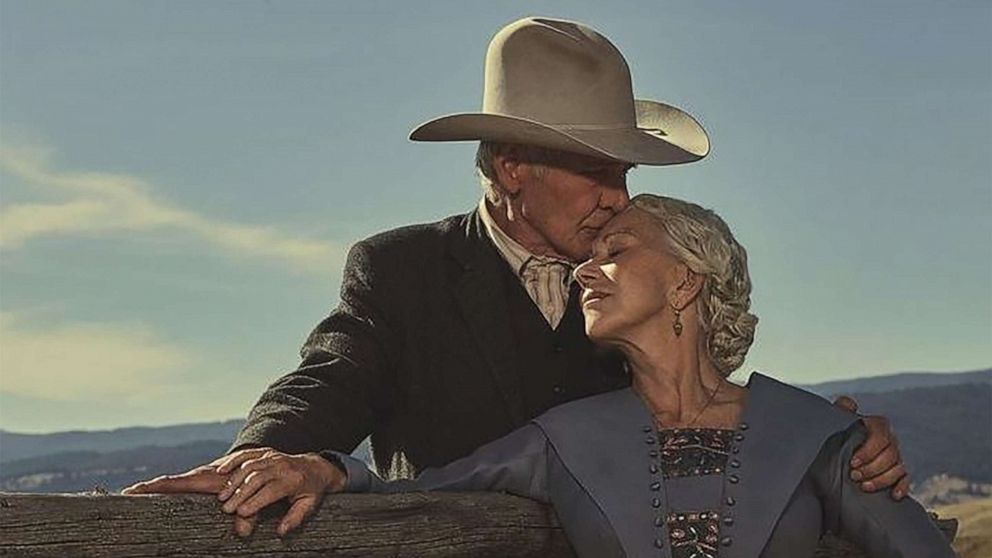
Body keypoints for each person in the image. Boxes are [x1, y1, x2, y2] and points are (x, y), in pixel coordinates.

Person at [122, 17, 910, 540]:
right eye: (598, 171)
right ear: (512, 166)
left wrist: (839, 437)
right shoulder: (402, 270)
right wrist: (273, 455)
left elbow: (711, 408)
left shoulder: (630, 283)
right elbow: (328, 382)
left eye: (624, 174)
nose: (617, 198)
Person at [314, 194, 954, 558]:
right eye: (587, 259)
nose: (584, 272)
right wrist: (326, 467)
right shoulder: (560, 439)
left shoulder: (817, 432)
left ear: (685, 280)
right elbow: (416, 494)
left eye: (614, 254)